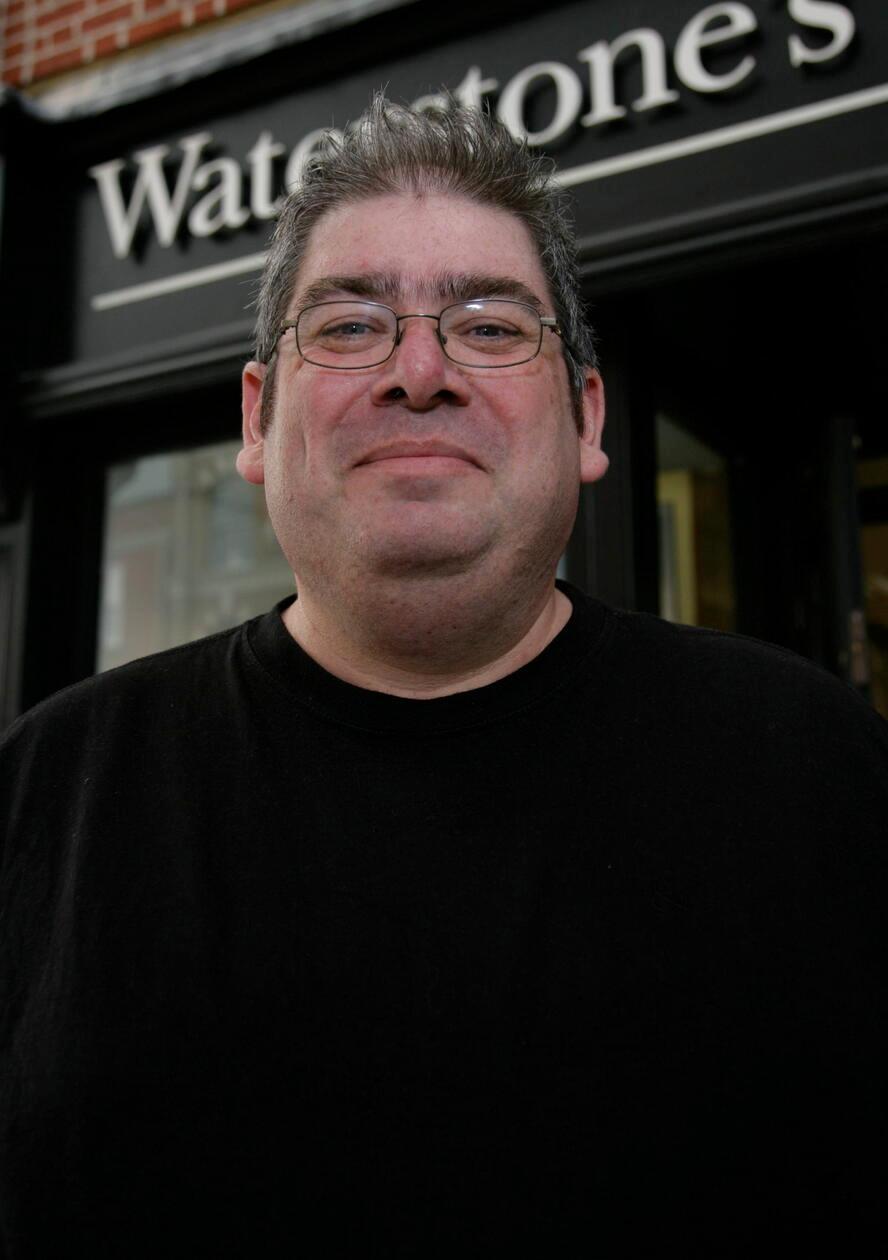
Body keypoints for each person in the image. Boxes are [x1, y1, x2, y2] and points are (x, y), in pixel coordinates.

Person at [1, 96, 886, 1258]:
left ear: (584, 416)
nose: (421, 372)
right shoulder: (45, 791)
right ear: (259, 418)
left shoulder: (817, 767)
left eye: (488, 324)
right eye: (352, 323)